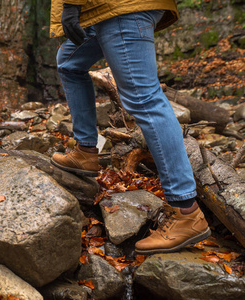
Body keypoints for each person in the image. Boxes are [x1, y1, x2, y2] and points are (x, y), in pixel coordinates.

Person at [49, 0, 211, 254]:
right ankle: (86, 151)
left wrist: (71, 4)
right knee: (69, 61)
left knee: (144, 98)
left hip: (122, 6)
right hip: (105, 8)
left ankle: (186, 211)